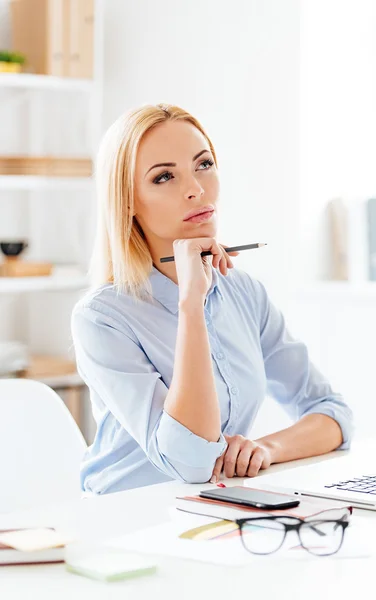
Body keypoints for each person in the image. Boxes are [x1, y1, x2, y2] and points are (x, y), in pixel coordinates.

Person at [71, 103, 353, 495]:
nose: (196, 189)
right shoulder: (101, 318)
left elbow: (333, 415)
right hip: (126, 515)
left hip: (211, 508)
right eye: (164, 176)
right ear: (129, 201)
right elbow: (190, 460)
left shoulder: (244, 293)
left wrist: (264, 449)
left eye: (203, 164)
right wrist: (191, 302)